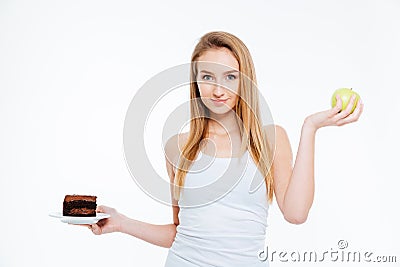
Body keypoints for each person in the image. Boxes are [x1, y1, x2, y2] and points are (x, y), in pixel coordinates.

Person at [87, 31, 363, 266]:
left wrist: (310, 128)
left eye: (230, 77)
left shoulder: (270, 138)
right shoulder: (179, 146)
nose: (218, 90)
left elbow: (296, 214)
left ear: (245, 80)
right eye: (208, 76)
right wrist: (121, 223)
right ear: (196, 82)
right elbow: (181, 232)